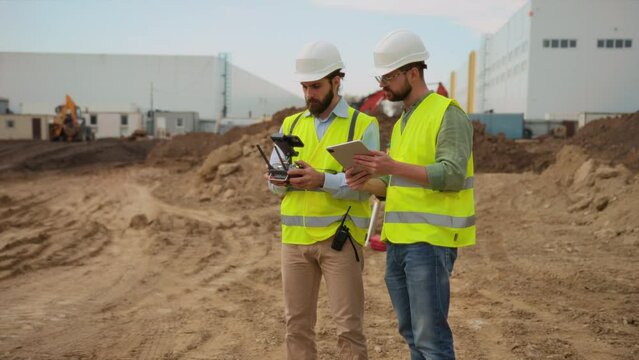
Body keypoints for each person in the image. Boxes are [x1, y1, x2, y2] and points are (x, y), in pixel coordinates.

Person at [345, 30, 476, 360]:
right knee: (412, 335)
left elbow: (453, 174)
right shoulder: (405, 120)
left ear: (413, 72)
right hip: (398, 243)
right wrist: (369, 179)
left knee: (431, 339)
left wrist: (393, 165)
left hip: (429, 244)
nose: (383, 85)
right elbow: (396, 186)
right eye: (381, 77)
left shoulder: (447, 113)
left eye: (388, 76)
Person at [265, 40, 380, 360]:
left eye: (315, 86)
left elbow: (368, 185)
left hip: (340, 240)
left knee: (348, 329)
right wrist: (277, 180)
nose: (309, 94)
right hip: (295, 241)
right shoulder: (290, 125)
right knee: (296, 327)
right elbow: (277, 190)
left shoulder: (362, 125)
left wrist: (322, 181)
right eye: (304, 86)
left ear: (336, 81)